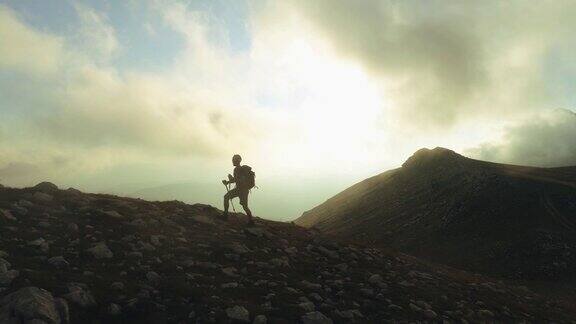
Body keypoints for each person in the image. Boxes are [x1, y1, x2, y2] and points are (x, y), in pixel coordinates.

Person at [222, 154, 254, 225]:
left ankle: (225, 216)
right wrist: (228, 181)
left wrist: (229, 180)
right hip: (243, 190)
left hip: (241, 190)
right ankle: (251, 221)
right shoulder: (238, 169)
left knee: (227, 197)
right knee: (244, 206)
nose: (232, 161)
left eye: (233, 160)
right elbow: (237, 180)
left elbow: (237, 180)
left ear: (237, 161)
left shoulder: (237, 169)